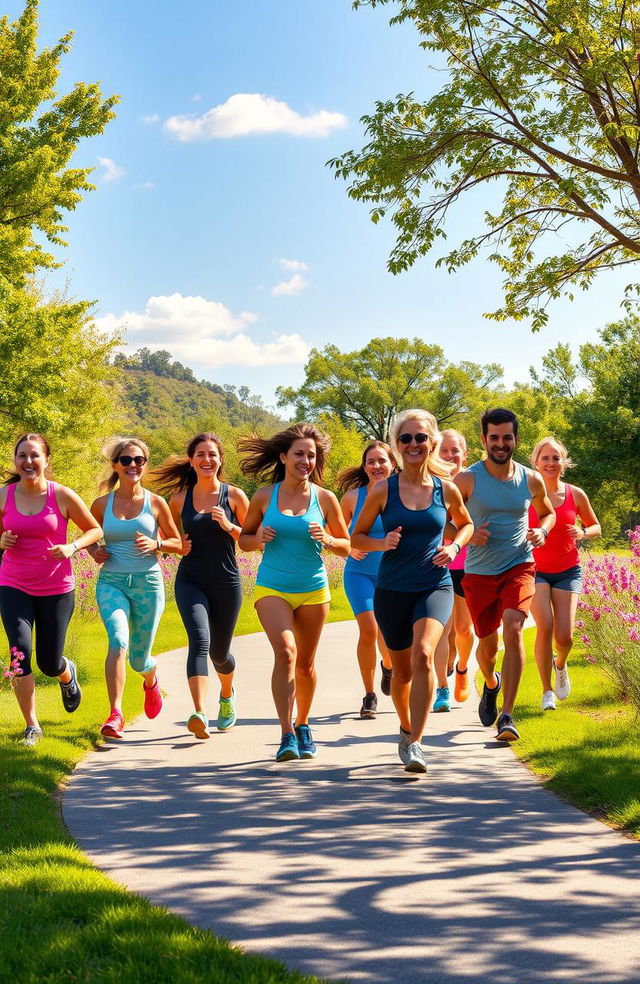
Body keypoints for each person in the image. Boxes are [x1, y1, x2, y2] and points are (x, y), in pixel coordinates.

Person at [352, 410, 473, 773]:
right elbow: (356, 537)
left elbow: (465, 524)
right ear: (397, 446)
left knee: (424, 654)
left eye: (421, 438)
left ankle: (417, 742)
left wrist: (453, 547)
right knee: (402, 675)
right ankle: (405, 729)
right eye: (406, 439)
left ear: (432, 442)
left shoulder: (445, 488)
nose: (414, 444)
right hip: (392, 590)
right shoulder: (382, 490)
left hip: (434, 584)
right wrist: (381, 541)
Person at [238, 423, 350, 763]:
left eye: (311, 456)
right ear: (284, 456)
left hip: (313, 589)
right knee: (286, 653)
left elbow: (346, 546)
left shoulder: (325, 498)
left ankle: (304, 724)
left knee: (305, 664)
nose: (306, 461)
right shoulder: (263, 496)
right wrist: (258, 540)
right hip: (273, 585)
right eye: (299, 454)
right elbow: (243, 540)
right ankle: (286, 732)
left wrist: (327, 539)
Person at [455, 408, 556, 742]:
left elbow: (547, 513)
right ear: (484, 439)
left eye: (507, 437)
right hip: (479, 573)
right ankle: (490, 682)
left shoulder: (530, 478)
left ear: (516, 439)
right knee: (486, 647)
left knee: (513, 629)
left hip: (519, 565)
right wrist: (467, 533)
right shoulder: (466, 480)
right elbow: (442, 523)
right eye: (494, 437)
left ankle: (507, 716)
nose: (501, 443)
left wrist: (542, 530)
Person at [0, 433, 102, 746]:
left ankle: (65, 672)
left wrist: (72, 546)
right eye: (22, 456)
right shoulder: (3, 496)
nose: (28, 462)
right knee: (19, 653)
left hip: (57, 586)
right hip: (13, 582)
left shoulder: (63, 496)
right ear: (15, 460)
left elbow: (95, 529)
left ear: (46, 460)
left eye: (34, 456)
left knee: (48, 661)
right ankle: (32, 726)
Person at [151, 433, 250, 739]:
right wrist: (174, 546)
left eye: (212, 455)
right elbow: (168, 539)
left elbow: (250, 541)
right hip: (190, 579)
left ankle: (227, 694)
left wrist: (229, 525)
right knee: (200, 642)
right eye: (201, 455)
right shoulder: (179, 500)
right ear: (191, 460)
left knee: (220, 653)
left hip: (226, 581)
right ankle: (200, 713)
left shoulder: (234, 496)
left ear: (220, 460)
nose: (207, 460)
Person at [89, 437, 182, 739]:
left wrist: (157, 544)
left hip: (147, 583)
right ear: (115, 465)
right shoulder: (102, 504)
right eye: (126, 460)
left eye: (139, 460)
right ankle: (115, 715)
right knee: (117, 641)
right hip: (112, 582)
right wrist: (94, 552)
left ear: (145, 464)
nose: (133, 465)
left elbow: (179, 544)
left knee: (139, 659)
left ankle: (150, 678)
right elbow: (88, 535)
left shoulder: (156, 503)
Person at [529, 437, 600, 710]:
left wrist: (582, 532)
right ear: (536, 462)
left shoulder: (575, 494)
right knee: (544, 626)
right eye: (545, 458)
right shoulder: (527, 494)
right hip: (535, 570)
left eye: (555, 458)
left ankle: (560, 665)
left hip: (568, 570)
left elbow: (595, 526)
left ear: (563, 462)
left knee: (565, 637)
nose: (550, 463)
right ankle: (546, 691)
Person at [338, 441, 397, 719]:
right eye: (371, 461)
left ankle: (388, 665)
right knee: (369, 628)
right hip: (358, 572)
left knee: (385, 632)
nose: (377, 466)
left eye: (382, 461)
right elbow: (334, 534)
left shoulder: (402, 496)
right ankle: (369, 695)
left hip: (391, 574)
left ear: (392, 464)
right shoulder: (352, 498)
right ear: (364, 467)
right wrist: (349, 546)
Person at [432, 429, 475, 711]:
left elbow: (473, 523)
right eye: (443, 451)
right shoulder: (430, 484)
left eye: (454, 451)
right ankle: (442, 688)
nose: (449, 456)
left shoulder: (474, 484)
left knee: (462, 628)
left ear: (464, 454)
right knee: (440, 630)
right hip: (437, 564)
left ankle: (460, 668)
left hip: (470, 564)